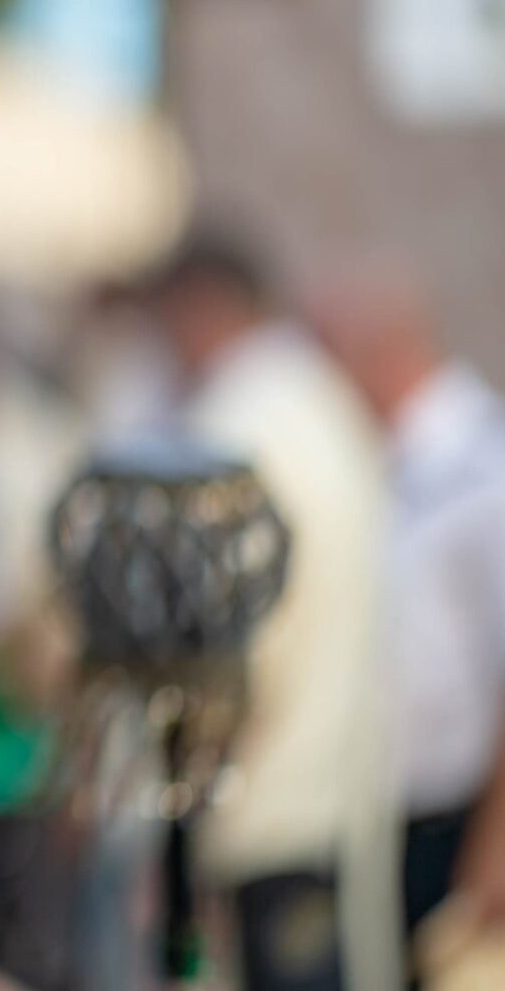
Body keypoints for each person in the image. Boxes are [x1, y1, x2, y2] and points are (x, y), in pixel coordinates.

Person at [142, 234, 400, 991]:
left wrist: (187, 799)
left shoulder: (239, 424)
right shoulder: (318, 401)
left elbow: (231, 644)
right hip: (328, 790)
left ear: (194, 310)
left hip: (262, 802)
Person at [304, 267, 505, 963]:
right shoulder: (375, 459)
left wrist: (493, 849)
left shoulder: (484, 467)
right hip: (377, 812)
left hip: (456, 821)